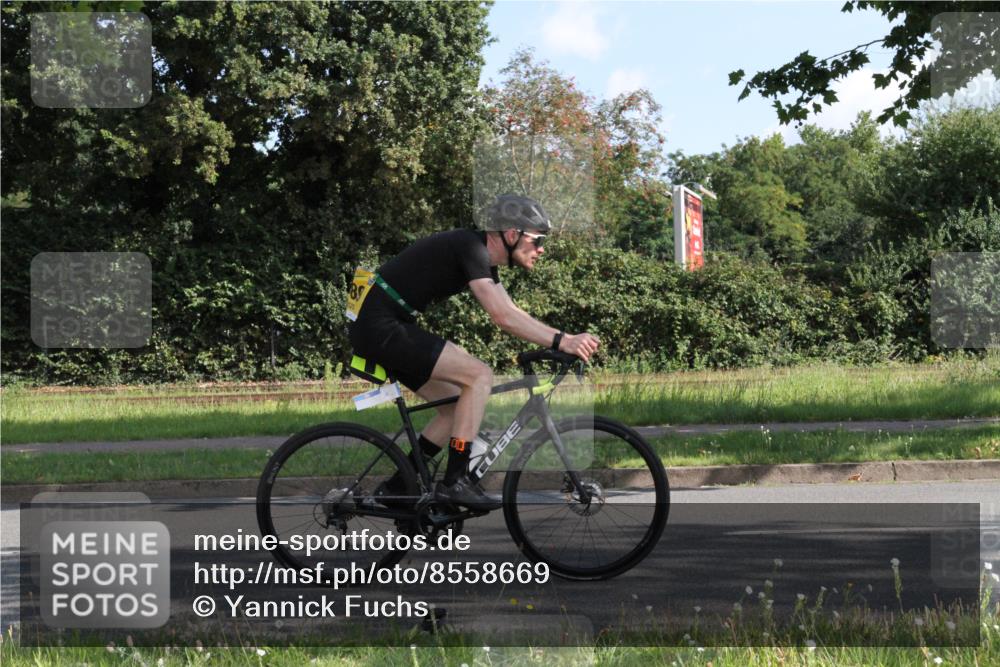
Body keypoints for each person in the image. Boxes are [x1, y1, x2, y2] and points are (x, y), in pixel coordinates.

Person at [347, 194, 600, 510]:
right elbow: (502, 317)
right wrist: (563, 341)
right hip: (379, 325)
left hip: (383, 322)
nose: (541, 249)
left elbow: (510, 310)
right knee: (479, 375)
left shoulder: (483, 259)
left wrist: (558, 339)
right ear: (511, 234)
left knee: (455, 406)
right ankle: (455, 483)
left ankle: (398, 488)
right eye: (537, 241)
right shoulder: (471, 247)